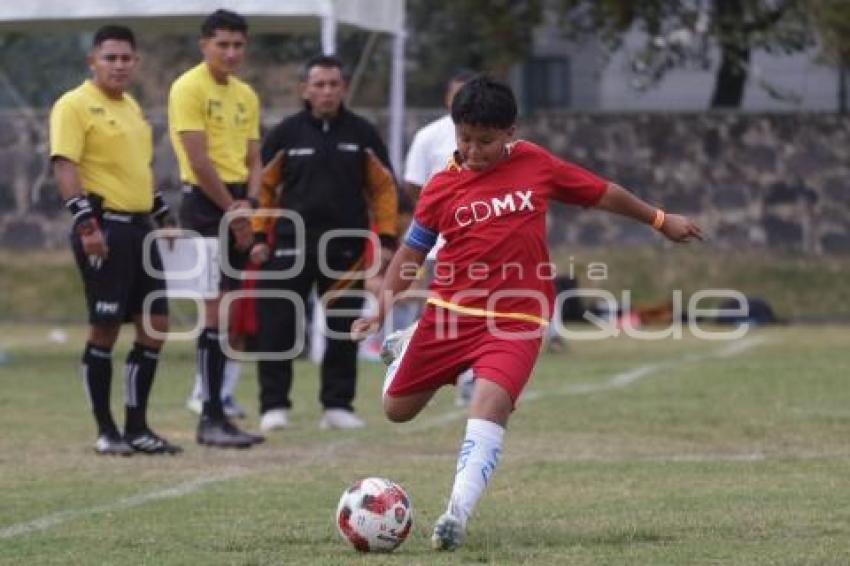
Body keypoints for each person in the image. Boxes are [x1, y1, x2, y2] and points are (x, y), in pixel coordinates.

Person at [351, 76, 703, 550]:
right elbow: (411, 255)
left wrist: (660, 220)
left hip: (518, 317)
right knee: (396, 410)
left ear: (511, 131)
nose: (474, 151)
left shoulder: (535, 163)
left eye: (487, 141)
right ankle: (410, 341)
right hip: (450, 312)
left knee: (490, 401)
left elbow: (602, 192)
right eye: (465, 139)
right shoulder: (439, 190)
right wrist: (380, 309)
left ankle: (457, 511)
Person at [50, 25, 181, 455]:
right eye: (111, 58)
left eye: (126, 58)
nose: (119, 65)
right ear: (93, 61)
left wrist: (162, 216)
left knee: (156, 325)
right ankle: (107, 432)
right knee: (104, 328)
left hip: (140, 229)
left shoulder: (132, 109)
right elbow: (66, 166)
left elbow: (139, 170)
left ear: (135, 63)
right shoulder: (74, 105)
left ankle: (138, 427)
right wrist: (87, 226)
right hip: (105, 228)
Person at [250, 54, 398, 432]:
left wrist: (385, 238)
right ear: (305, 89)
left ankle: (337, 405)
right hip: (288, 246)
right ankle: (273, 406)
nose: (327, 91)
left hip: (345, 248)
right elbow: (263, 189)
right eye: (319, 84)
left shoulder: (363, 134)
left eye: (334, 84)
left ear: (344, 88)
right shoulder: (285, 134)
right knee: (277, 326)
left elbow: (383, 190)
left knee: (343, 328)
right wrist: (257, 236)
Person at [168, 9, 263, 448]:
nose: (231, 52)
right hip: (207, 205)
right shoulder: (188, 87)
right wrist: (233, 210)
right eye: (222, 44)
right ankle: (208, 416)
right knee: (214, 311)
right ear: (204, 44)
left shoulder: (246, 93)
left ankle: (217, 411)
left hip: (239, 202)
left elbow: (255, 158)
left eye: (238, 45)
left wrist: (252, 207)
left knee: (227, 312)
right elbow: (199, 160)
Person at [400, 69, 477, 405]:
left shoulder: (491, 135)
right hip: (442, 245)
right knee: (444, 311)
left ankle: (471, 377)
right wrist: (436, 218)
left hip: (485, 243)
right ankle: (421, 360)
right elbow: (414, 183)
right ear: (447, 98)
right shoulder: (429, 136)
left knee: (480, 309)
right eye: (457, 95)